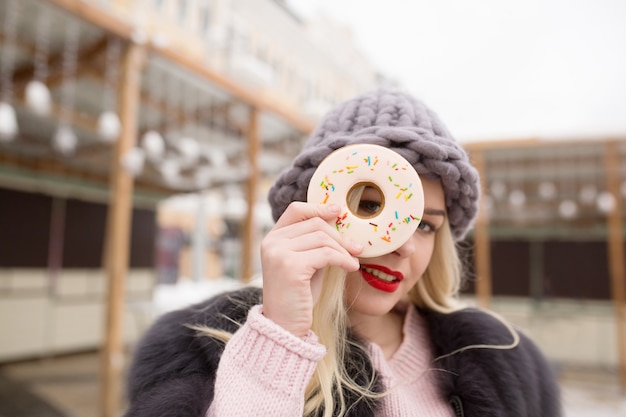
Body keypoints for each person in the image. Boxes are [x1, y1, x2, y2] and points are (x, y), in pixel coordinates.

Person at [123, 89, 562, 417]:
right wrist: (280, 342)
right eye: (370, 206)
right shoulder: (197, 355)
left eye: (426, 224)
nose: (404, 245)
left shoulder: (503, 357)